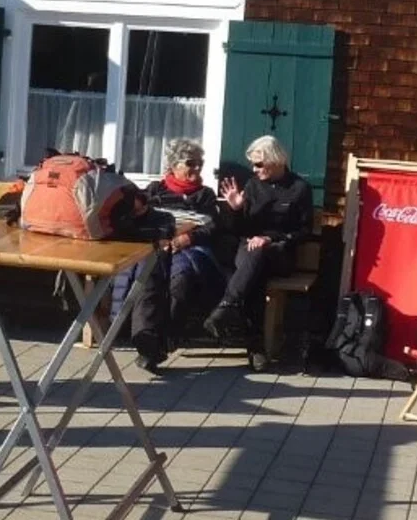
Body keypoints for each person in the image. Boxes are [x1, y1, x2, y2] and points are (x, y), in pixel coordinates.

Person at [110, 139, 227, 374]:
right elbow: (138, 220)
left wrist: (187, 238)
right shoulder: (155, 190)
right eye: (190, 163)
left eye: (200, 163)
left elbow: (213, 227)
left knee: (180, 277)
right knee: (149, 276)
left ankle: (164, 341)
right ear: (174, 166)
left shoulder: (205, 195)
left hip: (189, 250)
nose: (197, 168)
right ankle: (145, 338)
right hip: (158, 247)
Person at [201, 135, 313, 372]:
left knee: (256, 260)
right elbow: (239, 229)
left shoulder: (299, 188)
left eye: (259, 164)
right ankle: (254, 346)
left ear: (275, 161)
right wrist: (236, 208)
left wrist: (271, 239)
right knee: (254, 271)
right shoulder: (253, 185)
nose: (254, 169)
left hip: (279, 253)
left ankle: (230, 309)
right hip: (249, 250)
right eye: (253, 164)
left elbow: (304, 231)